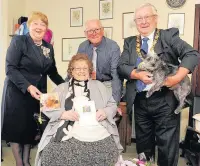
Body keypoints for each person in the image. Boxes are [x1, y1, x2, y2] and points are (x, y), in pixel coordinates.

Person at [117, 3, 200, 166]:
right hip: (140, 101)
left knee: (167, 146)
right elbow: (121, 66)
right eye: (139, 18)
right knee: (142, 146)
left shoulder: (168, 36)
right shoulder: (130, 42)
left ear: (155, 19)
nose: (143, 21)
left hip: (165, 100)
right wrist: (137, 74)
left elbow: (192, 54)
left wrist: (175, 79)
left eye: (147, 17)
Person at [35, 54, 123, 166]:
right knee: (52, 153)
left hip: (97, 126)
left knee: (106, 151)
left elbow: (112, 105)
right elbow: (46, 105)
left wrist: (105, 112)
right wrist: (62, 114)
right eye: (77, 68)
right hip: (67, 127)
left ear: (89, 70)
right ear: (71, 71)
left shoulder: (99, 86)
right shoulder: (62, 87)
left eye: (85, 68)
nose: (81, 71)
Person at [1, 11, 64, 166]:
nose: (39, 27)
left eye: (42, 24)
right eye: (35, 23)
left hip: (38, 93)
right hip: (17, 91)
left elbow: (52, 71)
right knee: (17, 129)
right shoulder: (19, 41)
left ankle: (27, 161)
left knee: (30, 128)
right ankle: (19, 162)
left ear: (46, 29)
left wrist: (65, 86)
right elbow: (10, 69)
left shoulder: (48, 47)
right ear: (29, 26)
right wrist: (28, 86)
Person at [77, 19, 122, 103]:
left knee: (104, 112)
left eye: (97, 29)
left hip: (107, 85)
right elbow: (75, 69)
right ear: (85, 34)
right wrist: (64, 90)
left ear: (102, 30)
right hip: (87, 85)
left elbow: (116, 75)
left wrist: (115, 103)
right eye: (90, 31)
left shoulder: (113, 47)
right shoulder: (82, 47)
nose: (94, 33)